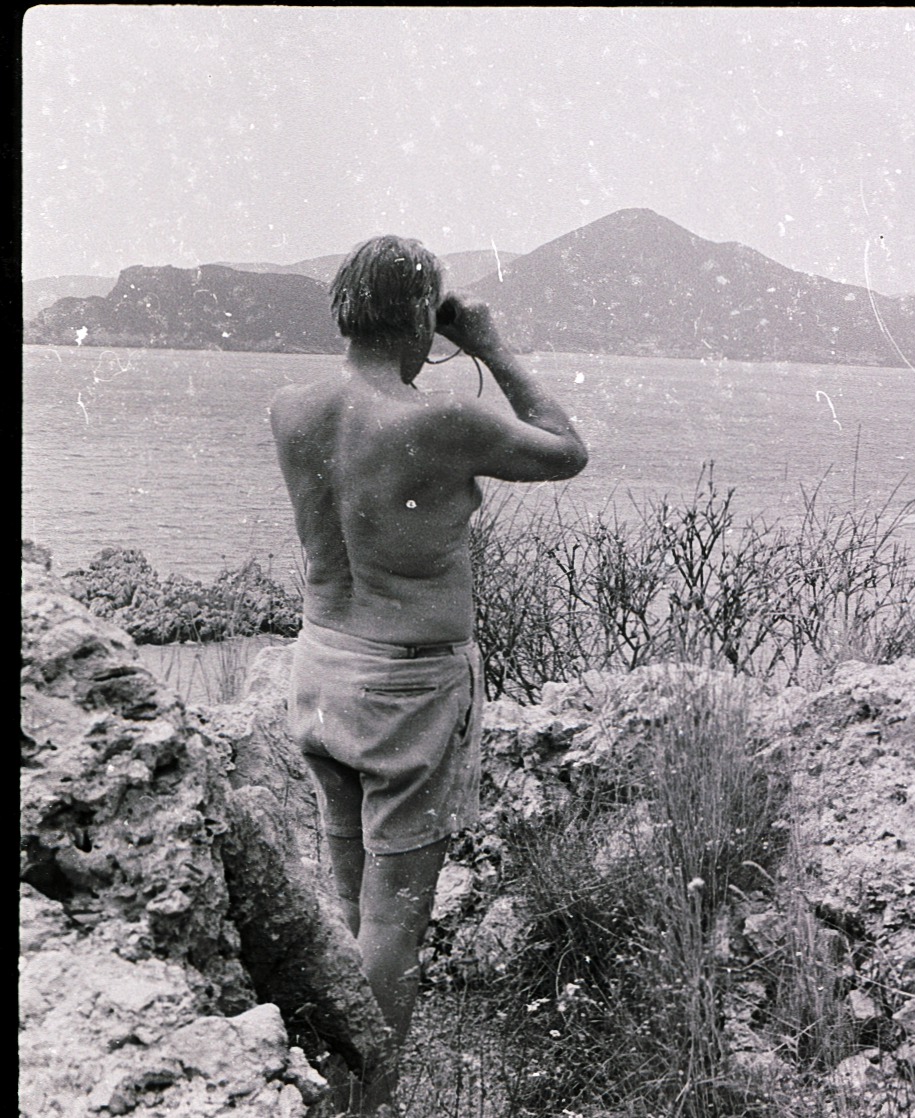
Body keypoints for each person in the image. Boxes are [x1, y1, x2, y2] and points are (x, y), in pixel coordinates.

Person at [270, 235, 587, 1114]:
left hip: (320, 667)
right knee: (395, 921)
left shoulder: (291, 408)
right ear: (423, 318)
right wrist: (487, 344)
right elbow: (567, 449)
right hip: (406, 689)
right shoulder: (443, 422)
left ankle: (324, 1082)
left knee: (347, 902)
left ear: (342, 307)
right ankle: (365, 1105)